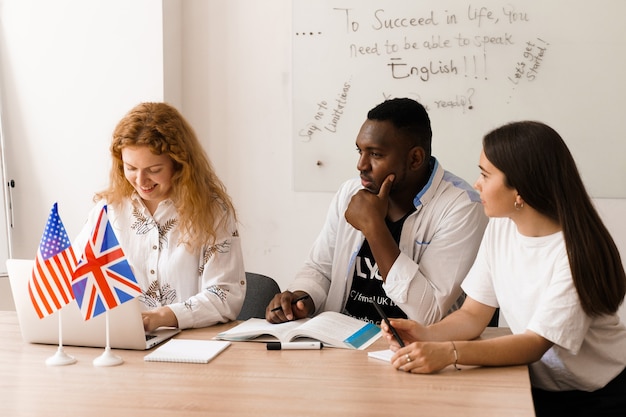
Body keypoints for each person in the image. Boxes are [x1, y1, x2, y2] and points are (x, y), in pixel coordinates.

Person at [381, 121, 626, 416]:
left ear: (520, 189)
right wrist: (426, 335)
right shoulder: (500, 227)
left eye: (486, 174)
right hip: (533, 384)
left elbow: (535, 343)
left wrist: (449, 353)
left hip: (597, 394)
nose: (476, 183)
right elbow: (473, 315)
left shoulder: (575, 253)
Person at [266, 98, 488, 325]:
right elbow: (320, 268)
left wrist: (374, 228)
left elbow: (428, 314)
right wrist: (302, 298)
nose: (361, 164)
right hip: (342, 339)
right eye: (360, 151)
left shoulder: (462, 207)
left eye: (375, 154)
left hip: (409, 348)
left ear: (415, 159)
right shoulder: (351, 192)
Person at [75, 102, 246, 331]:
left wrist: (166, 316)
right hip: (123, 343)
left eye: (154, 170)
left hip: (192, 345)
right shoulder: (109, 210)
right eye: (131, 168)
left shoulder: (212, 212)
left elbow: (225, 296)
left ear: (179, 165)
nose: (141, 181)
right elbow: (75, 274)